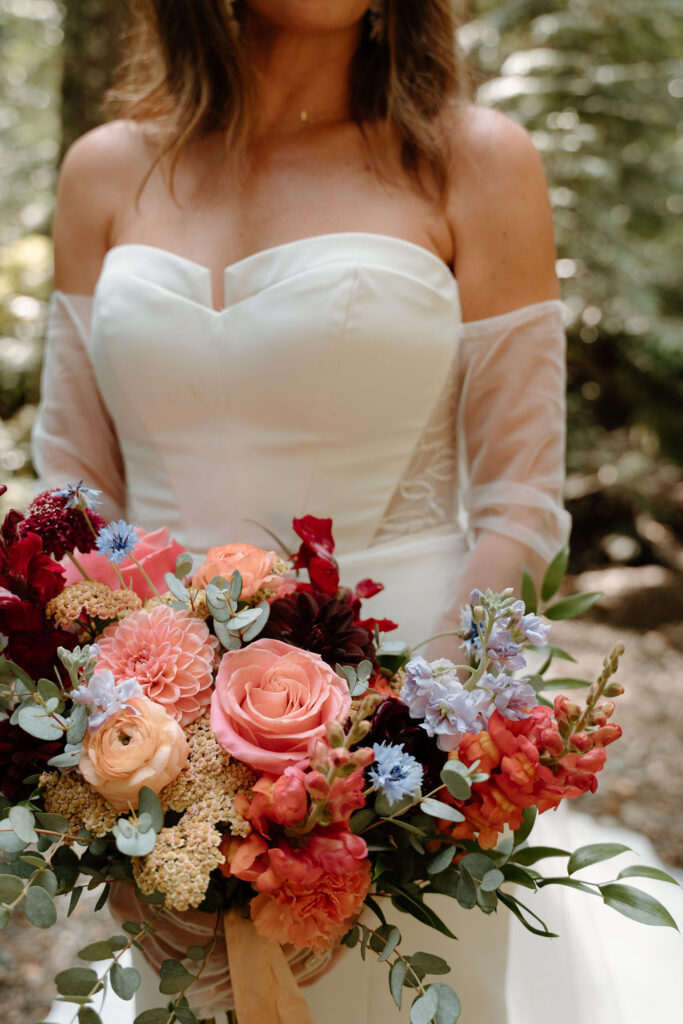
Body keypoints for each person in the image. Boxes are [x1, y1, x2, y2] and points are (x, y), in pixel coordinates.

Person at [33, 1, 584, 1021]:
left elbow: (517, 502)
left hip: (409, 735)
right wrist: (112, 763)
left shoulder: (473, 161)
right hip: (144, 747)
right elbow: (71, 491)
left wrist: (400, 768)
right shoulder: (105, 171)